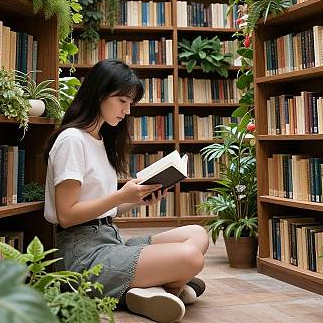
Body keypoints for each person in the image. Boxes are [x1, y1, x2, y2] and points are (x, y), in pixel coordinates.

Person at [44, 59, 209, 323]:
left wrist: (136, 198)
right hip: (81, 253)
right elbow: (67, 215)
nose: (127, 111)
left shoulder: (100, 140)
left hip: (109, 239)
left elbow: (102, 207)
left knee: (197, 233)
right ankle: (163, 289)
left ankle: (152, 290)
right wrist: (121, 195)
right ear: (99, 94)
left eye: (130, 103)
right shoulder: (72, 140)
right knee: (190, 258)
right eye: (122, 101)